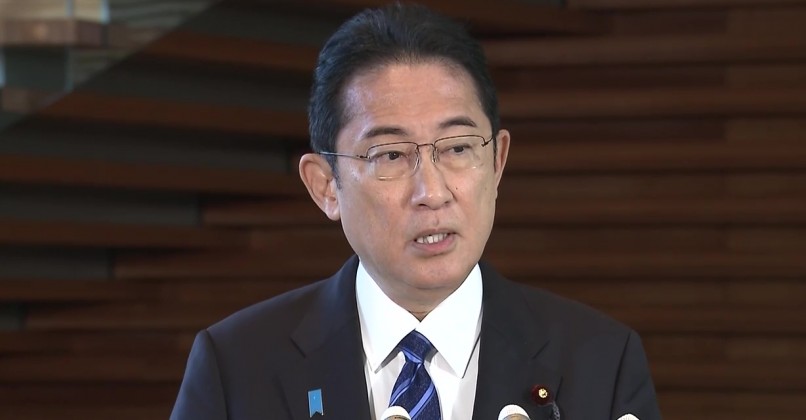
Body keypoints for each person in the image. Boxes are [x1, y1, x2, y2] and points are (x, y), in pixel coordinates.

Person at [170, 4, 661, 420]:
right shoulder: (236, 366)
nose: (432, 192)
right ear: (325, 186)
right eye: (390, 155)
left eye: (458, 148)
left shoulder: (601, 361)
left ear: (497, 161)